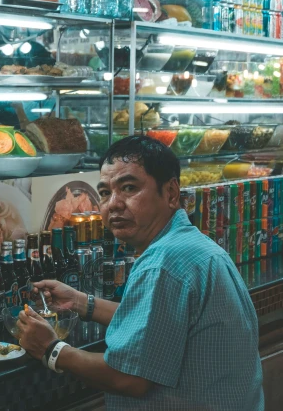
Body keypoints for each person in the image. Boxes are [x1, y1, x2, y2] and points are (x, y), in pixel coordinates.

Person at [17, 136, 263, 410]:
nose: (113, 204)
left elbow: (130, 377)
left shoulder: (163, 263)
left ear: (170, 193)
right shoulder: (190, 246)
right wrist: (78, 302)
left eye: (129, 188)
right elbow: (157, 324)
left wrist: (51, 349)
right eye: (106, 193)